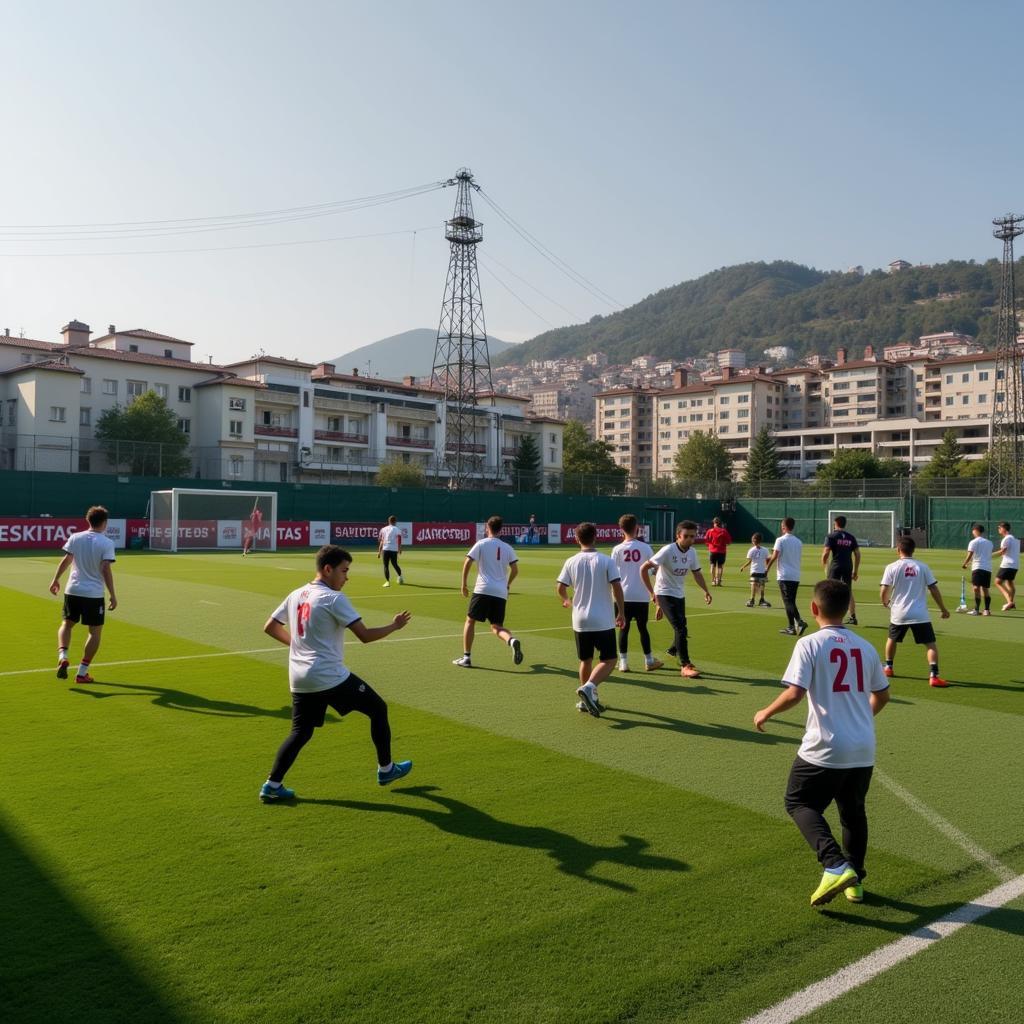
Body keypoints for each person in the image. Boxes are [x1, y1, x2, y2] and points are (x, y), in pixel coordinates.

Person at [754, 579, 890, 906]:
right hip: (863, 746)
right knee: (853, 813)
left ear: (814, 609)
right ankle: (854, 880)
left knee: (798, 802)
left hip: (825, 746)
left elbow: (795, 693)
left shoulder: (810, 644)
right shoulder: (866, 646)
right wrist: (861, 719)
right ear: (847, 608)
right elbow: (882, 695)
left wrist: (766, 712)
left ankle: (834, 863)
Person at [259, 544, 413, 802]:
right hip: (328, 676)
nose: (347, 577)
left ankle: (272, 786)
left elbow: (270, 627)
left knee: (300, 732)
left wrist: (299, 646)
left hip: (299, 676)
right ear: (327, 569)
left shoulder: (297, 593)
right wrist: (394, 626)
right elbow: (364, 636)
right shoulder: (333, 598)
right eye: (344, 571)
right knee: (378, 708)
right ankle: (386, 769)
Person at [556, 521, 625, 718]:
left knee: (585, 660)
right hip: (602, 618)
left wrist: (568, 601)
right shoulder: (606, 560)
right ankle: (589, 687)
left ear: (576, 539)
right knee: (610, 659)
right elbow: (617, 588)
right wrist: (621, 612)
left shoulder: (571, 561)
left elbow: (560, 587)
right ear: (596, 536)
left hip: (580, 619)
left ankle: (587, 700)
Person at [49, 505, 117, 684]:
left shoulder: (75, 537)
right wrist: (113, 594)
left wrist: (55, 579)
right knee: (95, 633)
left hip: (73, 590)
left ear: (88, 520)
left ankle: (63, 655)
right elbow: (106, 569)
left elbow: (67, 560)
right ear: (104, 522)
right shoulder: (107, 543)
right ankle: (82, 672)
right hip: (93, 594)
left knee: (67, 624)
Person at [640, 519, 712, 679]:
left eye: (693, 536)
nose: (690, 540)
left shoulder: (692, 553)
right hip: (664, 592)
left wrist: (705, 591)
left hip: (679, 593)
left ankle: (673, 650)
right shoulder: (667, 550)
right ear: (678, 535)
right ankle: (685, 665)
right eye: (686, 536)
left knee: (683, 627)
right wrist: (653, 594)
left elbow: (697, 573)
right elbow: (644, 568)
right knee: (680, 628)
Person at [453, 515, 523, 668]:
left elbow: (467, 562)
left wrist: (463, 584)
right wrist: (507, 584)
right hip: (500, 592)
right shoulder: (507, 547)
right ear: (501, 530)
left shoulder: (481, 544)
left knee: (470, 621)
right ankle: (511, 640)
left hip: (483, 589)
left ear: (487, 528)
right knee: (496, 626)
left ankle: (466, 657)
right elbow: (515, 570)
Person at [880, 536, 950, 687]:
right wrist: (943, 609)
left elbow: (884, 588)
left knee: (892, 639)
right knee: (930, 644)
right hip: (920, 614)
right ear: (914, 550)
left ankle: (889, 667)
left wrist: (884, 601)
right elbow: (933, 588)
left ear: (898, 550)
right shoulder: (923, 567)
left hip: (899, 613)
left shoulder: (891, 567)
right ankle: (934, 675)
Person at [610, 514, 663, 673]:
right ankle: (648, 660)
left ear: (621, 530)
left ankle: (624, 663)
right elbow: (654, 570)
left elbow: (612, 573)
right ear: (637, 528)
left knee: (623, 629)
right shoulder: (645, 548)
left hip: (622, 596)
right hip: (641, 595)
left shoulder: (617, 549)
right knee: (643, 628)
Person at [766, 517, 807, 637]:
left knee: (787, 601)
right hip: (795, 575)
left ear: (784, 526)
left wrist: (766, 569)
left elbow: (774, 556)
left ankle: (799, 622)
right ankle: (791, 627)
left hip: (784, 574)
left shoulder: (780, 540)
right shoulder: (798, 541)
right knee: (791, 601)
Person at [822, 515, 861, 625]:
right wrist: (855, 570)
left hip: (835, 566)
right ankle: (853, 617)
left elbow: (825, 554)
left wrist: (825, 567)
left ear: (835, 523)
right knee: (847, 591)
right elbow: (857, 554)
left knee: (831, 590)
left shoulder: (831, 536)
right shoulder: (851, 537)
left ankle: (830, 615)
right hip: (848, 566)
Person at [961, 523, 993, 616]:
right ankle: (987, 610)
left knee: (976, 588)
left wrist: (965, 564)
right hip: (987, 568)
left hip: (978, 567)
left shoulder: (973, 542)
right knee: (985, 589)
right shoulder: (989, 542)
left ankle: (976, 609)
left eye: (973, 531)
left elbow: (970, 554)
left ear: (975, 530)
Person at [738, 533, 771, 608]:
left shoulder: (765, 550)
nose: (753, 541)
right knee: (754, 584)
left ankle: (761, 600)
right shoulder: (751, 550)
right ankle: (752, 599)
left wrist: (766, 568)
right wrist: (744, 566)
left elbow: (767, 560)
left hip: (762, 570)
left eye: (754, 539)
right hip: (754, 570)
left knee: (762, 585)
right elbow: (750, 561)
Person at [993, 521, 1019, 611]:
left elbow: (1002, 552)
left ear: (1004, 528)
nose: (998, 529)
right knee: (1009, 582)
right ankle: (1011, 602)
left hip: (1007, 564)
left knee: (997, 582)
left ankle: (1009, 602)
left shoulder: (1007, 538)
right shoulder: (1014, 538)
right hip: (1015, 565)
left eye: (999, 528)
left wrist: (988, 555)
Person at [703, 517, 732, 587]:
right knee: (720, 566)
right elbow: (729, 542)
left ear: (714, 523)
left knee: (712, 565)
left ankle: (713, 581)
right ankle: (718, 581)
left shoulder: (710, 531)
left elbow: (706, 540)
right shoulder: (724, 531)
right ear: (720, 523)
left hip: (712, 551)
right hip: (721, 551)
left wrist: (710, 545)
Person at [377, 515, 404, 587]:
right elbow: (399, 540)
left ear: (389, 521)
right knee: (395, 564)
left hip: (385, 549)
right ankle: (400, 576)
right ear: (395, 521)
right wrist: (399, 549)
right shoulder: (397, 529)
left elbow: (381, 540)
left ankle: (387, 582)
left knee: (386, 566)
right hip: (393, 549)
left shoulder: (383, 529)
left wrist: (379, 551)